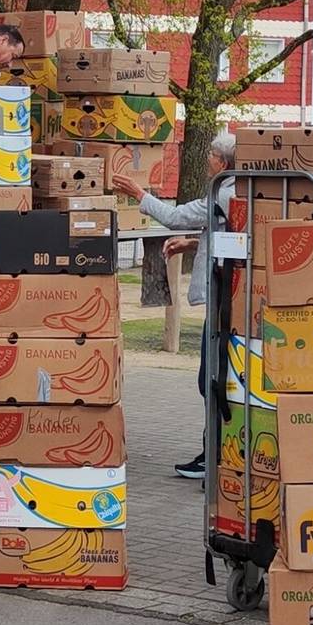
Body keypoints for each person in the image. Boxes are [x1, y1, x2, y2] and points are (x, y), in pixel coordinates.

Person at [109, 129, 237, 479]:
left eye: (210, 154)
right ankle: (212, 450)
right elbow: (224, 237)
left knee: (211, 379)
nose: (207, 158)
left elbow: (176, 215)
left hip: (224, 297)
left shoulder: (224, 195)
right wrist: (191, 244)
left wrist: (140, 194)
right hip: (223, 296)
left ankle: (217, 456)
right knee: (210, 378)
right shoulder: (231, 192)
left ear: (222, 161)